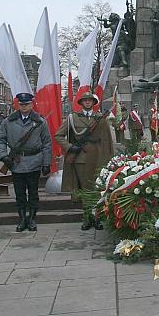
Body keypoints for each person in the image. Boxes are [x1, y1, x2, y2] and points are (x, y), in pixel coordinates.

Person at [55, 91, 114, 230]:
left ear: (94, 103)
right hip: (80, 158)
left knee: (97, 188)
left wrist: (109, 159)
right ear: (81, 103)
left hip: (98, 158)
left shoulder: (101, 118)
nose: (87, 102)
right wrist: (70, 147)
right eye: (85, 100)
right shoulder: (73, 118)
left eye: (90, 100)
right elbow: (58, 135)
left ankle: (97, 218)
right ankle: (87, 218)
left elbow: (107, 140)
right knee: (85, 189)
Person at [0, 93, 53, 232]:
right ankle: (22, 219)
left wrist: (46, 163)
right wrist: (3, 156)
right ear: (17, 105)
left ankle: (32, 219)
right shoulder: (8, 121)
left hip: (34, 161)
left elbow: (47, 143)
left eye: (27, 104)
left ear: (31, 104)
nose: (24, 106)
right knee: (19, 193)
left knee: (33, 192)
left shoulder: (40, 122)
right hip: (16, 163)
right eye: (21, 104)